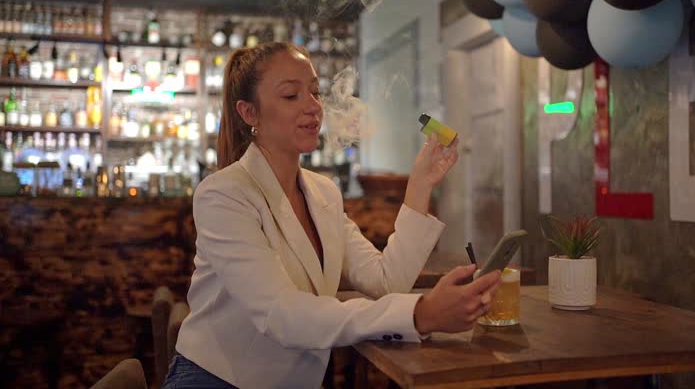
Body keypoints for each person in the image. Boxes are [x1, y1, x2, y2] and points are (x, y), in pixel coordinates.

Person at [164, 42, 502, 389]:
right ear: (249, 113)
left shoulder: (322, 192)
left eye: (314, 92)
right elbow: (283, 315)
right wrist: (420, 314)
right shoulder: (224, 194)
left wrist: (420, 185)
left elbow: (386, 281)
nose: (313, 107)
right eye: (291, 95)